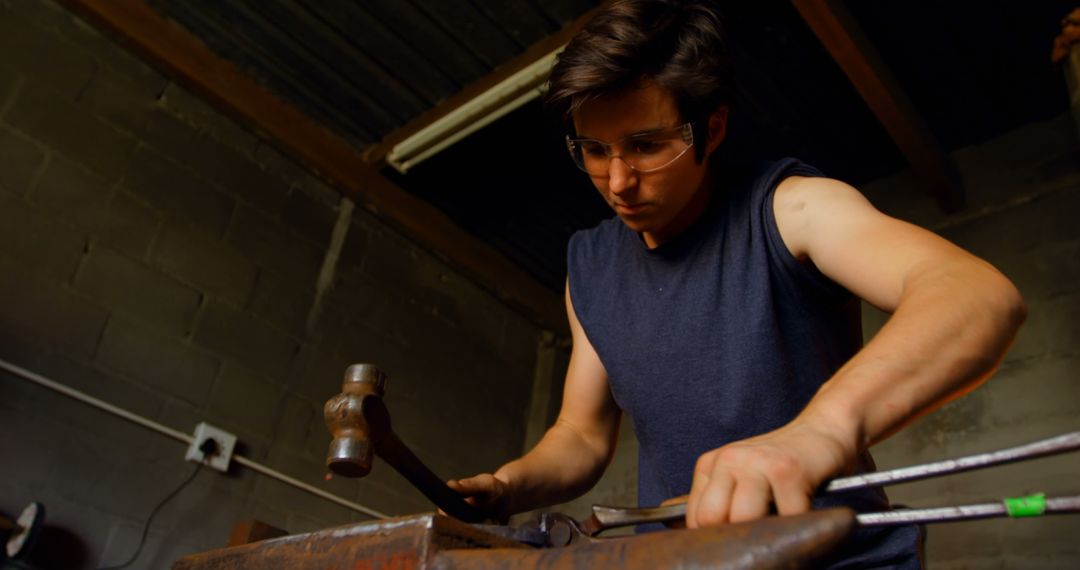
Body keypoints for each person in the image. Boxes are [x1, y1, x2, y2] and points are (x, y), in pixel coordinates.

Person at [449, 0, 1025, 566]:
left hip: (838, 559)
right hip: (691, 561)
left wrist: (819, 433)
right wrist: (508, 485)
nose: (618, 180)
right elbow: (581, 433)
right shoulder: (591, 268)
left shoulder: (791, 210)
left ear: (713, 127)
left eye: (646, 146)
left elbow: (977, 295)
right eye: (596, 151)